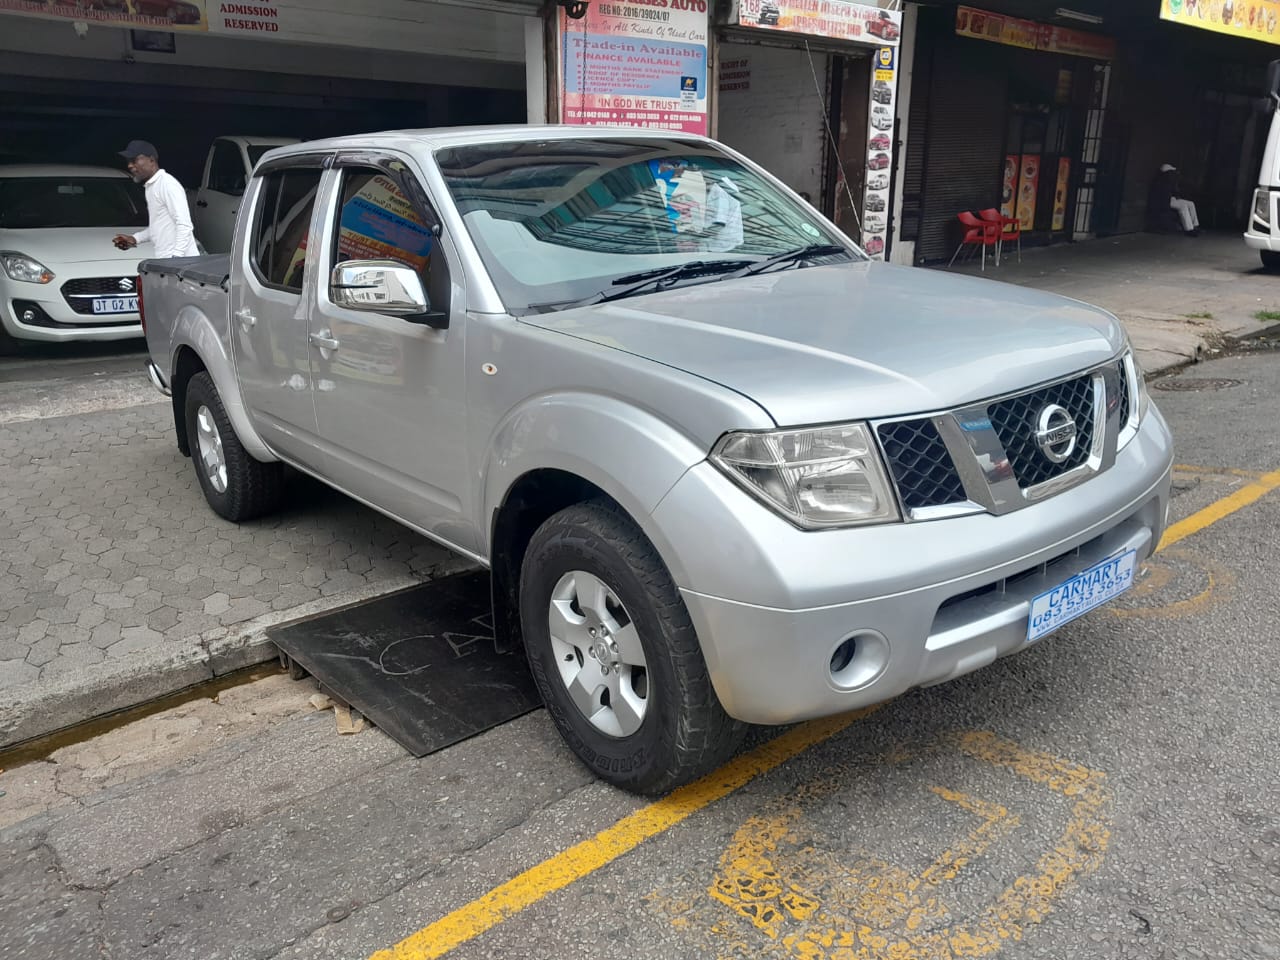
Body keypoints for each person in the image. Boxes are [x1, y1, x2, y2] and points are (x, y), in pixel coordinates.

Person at [112, 140, 200, 258]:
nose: (130, 165)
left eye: (134, 160)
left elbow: (184, 225)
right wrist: (135, 238)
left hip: (180, 264)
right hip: (168, 262)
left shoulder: (167, 184)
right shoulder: (152, 187)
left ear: (151, 160)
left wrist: (176, 258)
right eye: (128, 161)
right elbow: (158, 227)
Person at [1153, 162, 1201, 237]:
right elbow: (1162, 197)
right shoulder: (1160, 182)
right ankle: (1189, 229)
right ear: (1166, 173)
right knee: (1183, 207)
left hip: (1172, 199)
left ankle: (1195, 226)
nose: (1172, 173)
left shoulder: (1169, 181)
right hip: (1166, 201)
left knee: (1191, 203)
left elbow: (1174, 192)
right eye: (1170, 172)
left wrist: (1176, 196)